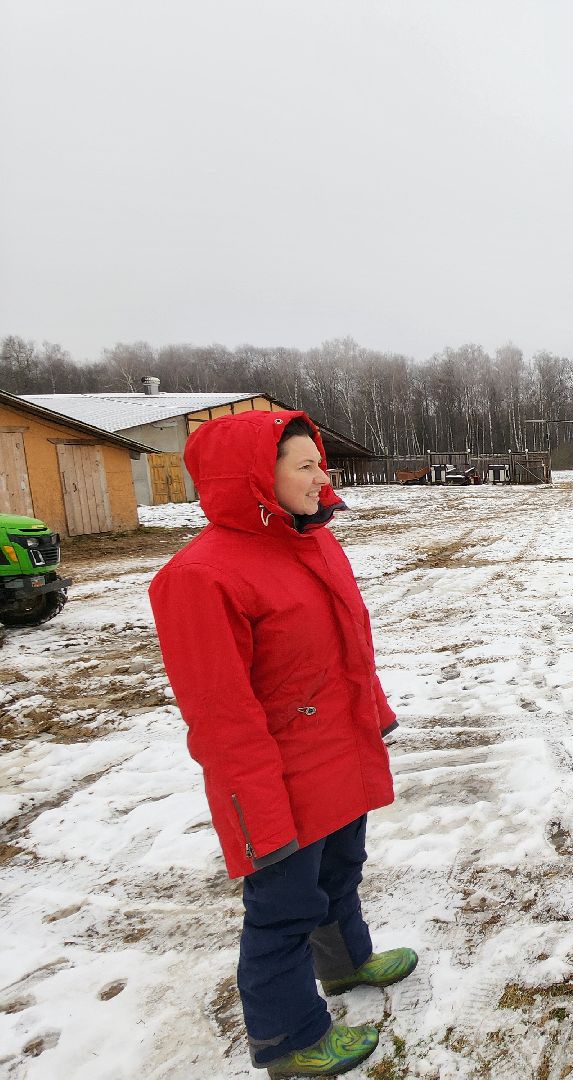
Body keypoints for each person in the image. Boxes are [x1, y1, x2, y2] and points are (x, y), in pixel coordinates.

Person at [149, 411, 416, 1078]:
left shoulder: (314, 542)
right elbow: (221, 717)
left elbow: (350, 646)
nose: (321, 476)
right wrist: (254, 810)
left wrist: (373, 714)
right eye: (305, 466)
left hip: (337, 753)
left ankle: (346, 964)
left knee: (337, 876)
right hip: (275, 776)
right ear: (255, 479)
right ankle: (288, 1040)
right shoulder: (200, 576)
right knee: (282, 910)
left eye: (317, 463)